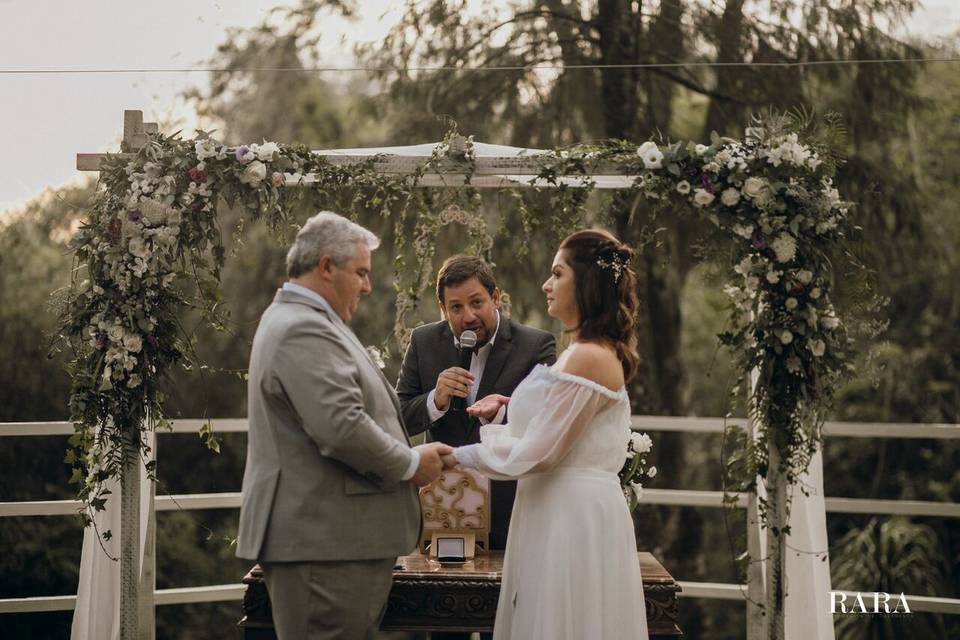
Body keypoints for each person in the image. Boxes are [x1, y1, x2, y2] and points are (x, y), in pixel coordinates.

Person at [235, 211, 454, 640]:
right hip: (324, 549)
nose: (367, 286)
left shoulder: (309, 322)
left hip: (334, 545)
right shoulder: (302, 328)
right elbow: (341, 426)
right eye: (361, 273)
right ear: (326, 267)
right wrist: (411, 464)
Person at [445, 230, 650, 640]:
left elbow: (541, 453)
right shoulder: (580, 351)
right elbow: (558, 426)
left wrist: (456, 457)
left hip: (571, 517)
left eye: (557, 274)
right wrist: (507, 408)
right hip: (554, 506)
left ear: (586, 282)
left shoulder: (590, 357)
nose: (546, 284)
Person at [396, 254, 556, 551]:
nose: (468, 316)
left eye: (476, 303)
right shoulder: (423, 342)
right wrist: (435, 400)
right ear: (443, 309)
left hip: (509, 507)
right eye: (456, 307)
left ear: (495, 298)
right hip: (441, 507)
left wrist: (502, 414)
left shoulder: (536, 345)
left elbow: (547, 422)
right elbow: (399, 416)